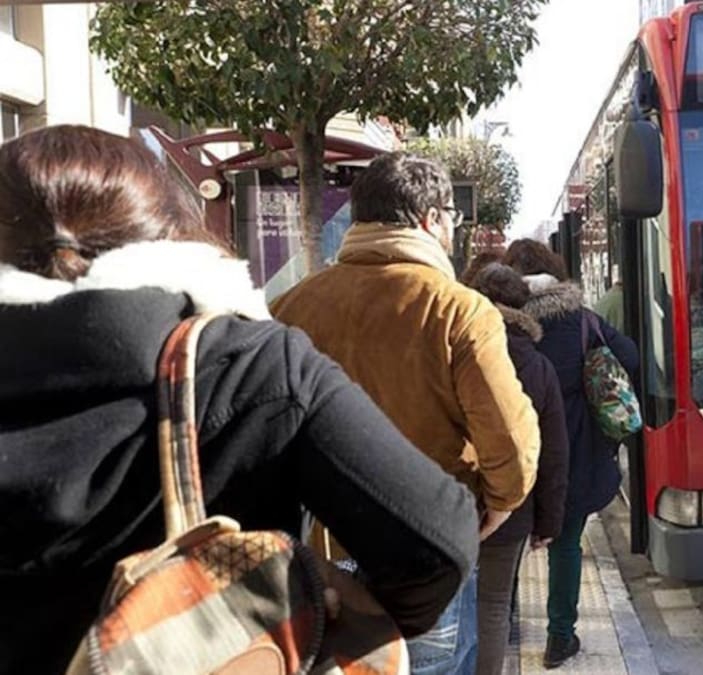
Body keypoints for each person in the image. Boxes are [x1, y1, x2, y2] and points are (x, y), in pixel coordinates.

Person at [0, 126, 479, 674]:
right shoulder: (251, 364)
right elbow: (438, 545)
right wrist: (315, 605)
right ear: (167, 229)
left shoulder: (295, 308)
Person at [271, 155, 540, 675]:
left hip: (317, 561)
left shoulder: (288, 306)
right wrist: (494, 508)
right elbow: (509, 440)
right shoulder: (460, 311)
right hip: (423, 553)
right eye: (451, 218)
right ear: (429, 219)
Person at [502, 239, 639, 670]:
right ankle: (559, 637)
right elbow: (631, 357)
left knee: (506, 543)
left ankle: (502, 621)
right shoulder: (582, 320)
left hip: (512, 453)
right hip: (575, 454)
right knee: (566, 545)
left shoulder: (494, 325)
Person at [468, 262, 569, 675]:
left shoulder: (453, 342)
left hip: (452, 497)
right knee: (494, 605)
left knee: (452, 605)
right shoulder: (537, 364)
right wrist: (548, 522)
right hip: (512, 504)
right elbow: (553, 450)